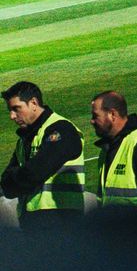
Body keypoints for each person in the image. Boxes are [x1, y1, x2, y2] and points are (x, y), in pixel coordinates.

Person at [1, 80, 86, 220]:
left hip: (61, 221)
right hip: (34, 221)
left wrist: (20, 176)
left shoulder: (61, 130)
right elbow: (6, 183)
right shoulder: (24, 139)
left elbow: (34, 173)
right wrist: (20, 177)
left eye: (16, 109)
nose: (12, 116)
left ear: (33, 103)